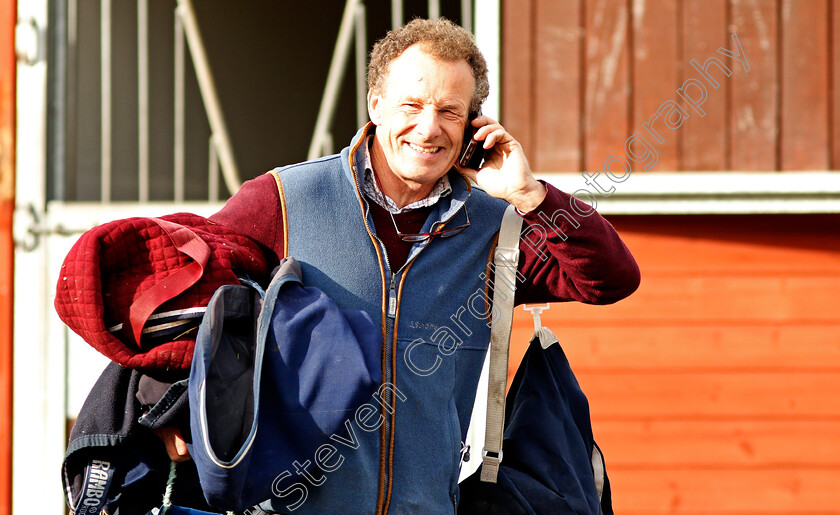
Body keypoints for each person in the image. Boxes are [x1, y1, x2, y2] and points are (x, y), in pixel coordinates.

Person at [159, 17, 640, 514]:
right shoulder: (284, 200)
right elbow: (178, 298)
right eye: (411, 105)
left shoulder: (496, 232)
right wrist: (171, 413)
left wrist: (528, 194)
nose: (428, 128)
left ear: (474, 125)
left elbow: (610, 278)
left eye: (449, 111)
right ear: (375, 106)